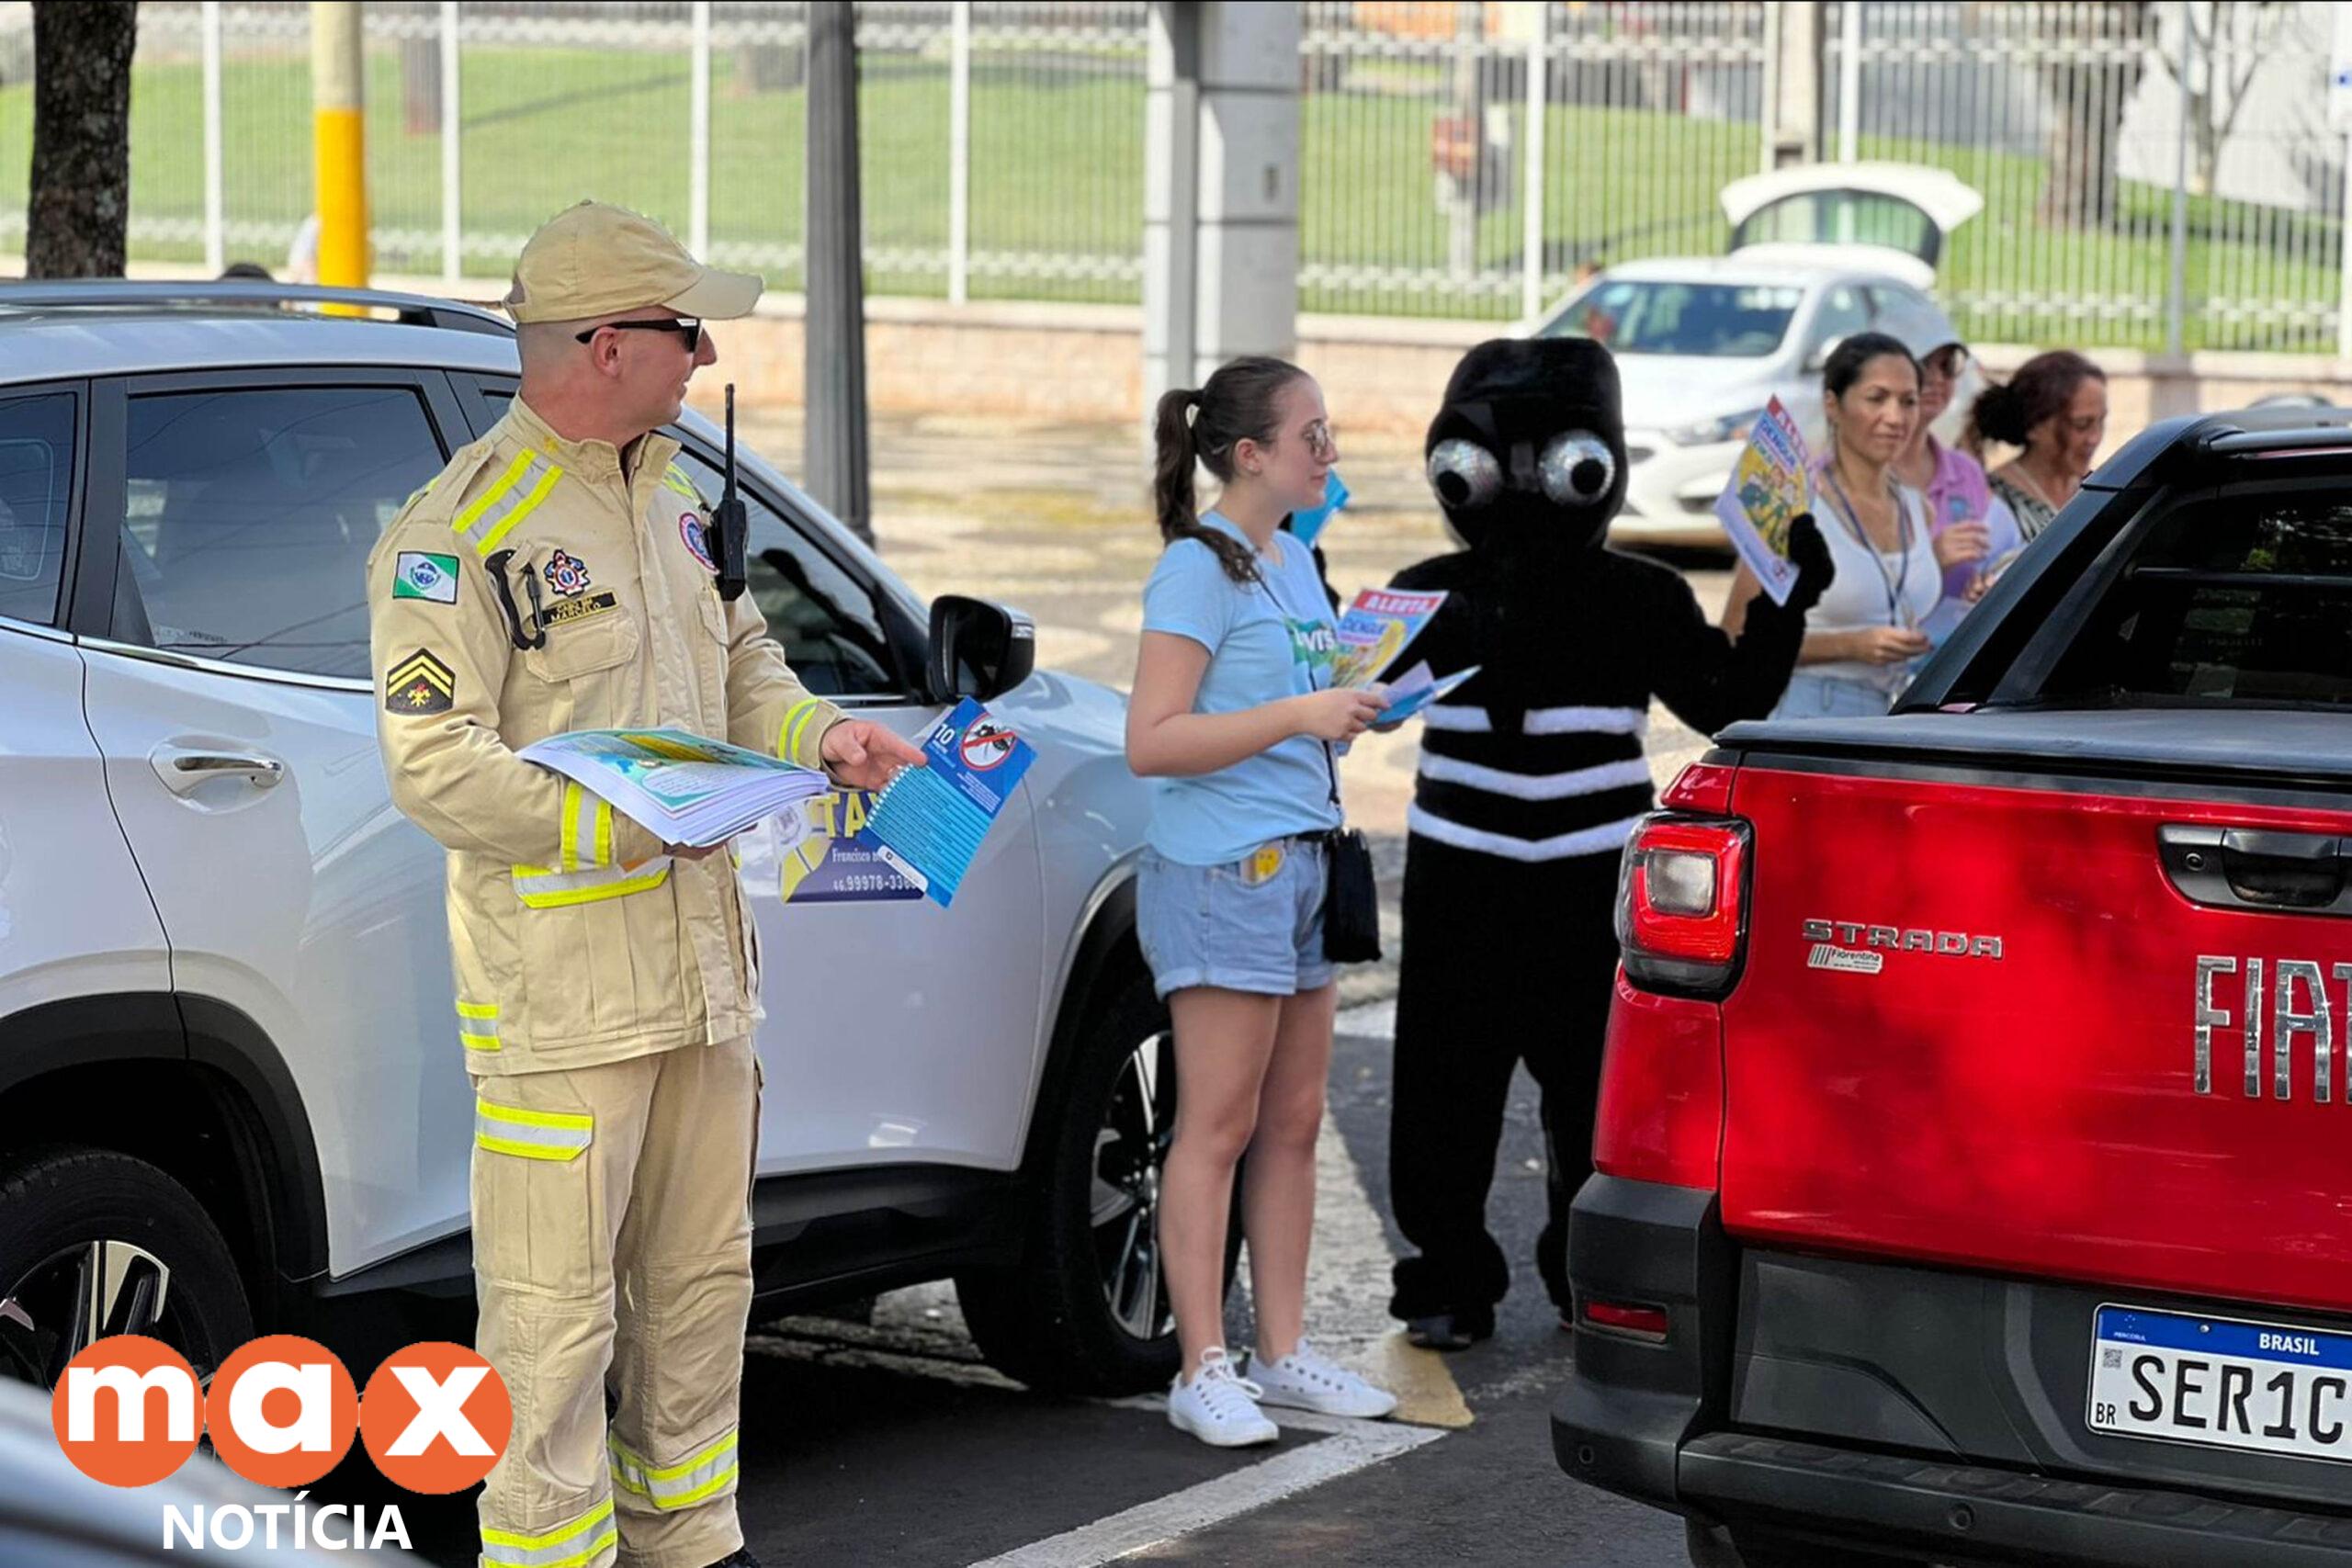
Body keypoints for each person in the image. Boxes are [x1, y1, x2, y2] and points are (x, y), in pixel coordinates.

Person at [367, 200, 924, 1568]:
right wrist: (629, 825)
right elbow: (436, 764)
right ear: (605, 342)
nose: (705, 349)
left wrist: (820, 736)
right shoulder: (457, 534)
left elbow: (745, 671)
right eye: (686, 329)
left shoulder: (671, 492)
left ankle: (694, 1540)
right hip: (563, 1003)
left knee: (699, 1292)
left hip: (700, 985)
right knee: (551, 1323)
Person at [1383, 338, 1831, 1349]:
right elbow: (1350, 694)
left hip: (1584, 875)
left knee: (1591, 1092)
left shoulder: (1639, 595)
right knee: (1446, 1090)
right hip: (1461, 874)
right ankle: (1451, 1274)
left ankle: (1579, 1273)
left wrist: (1784, 600)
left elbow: (1728, 700)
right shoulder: (1425, 591)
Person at [1125, 355, 1401, 1447]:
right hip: (1220, 872)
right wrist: (1301, 713)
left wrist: (1354, 700)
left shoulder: (1293, 558)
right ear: (1251, 455)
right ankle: (1202, 1365)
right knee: (1219, 1125)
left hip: (1300, 862)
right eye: (1312, 437)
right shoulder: (1196, 569)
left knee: (1290, 1123)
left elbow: (1296, 702)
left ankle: (1280, 1355)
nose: (1328, 454)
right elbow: (1154, 741)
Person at [1725, 332, 1942, 719]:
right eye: (1876, 398)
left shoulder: (1917, 508)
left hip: (1891, 715)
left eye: (1908, 401)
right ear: (1833, 405)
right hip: (1807, 710)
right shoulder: (1797, 508)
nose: (1895, 418)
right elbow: (1735, 634)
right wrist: (1848, 645)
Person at [1890, 335, 2021, 645]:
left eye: (1947, 366)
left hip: (1951, 668)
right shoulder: (1858, 475)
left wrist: (1990, 583)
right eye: (1924, 364)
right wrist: (1930, 561)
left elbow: (2006, 555)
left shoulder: (1964, 471)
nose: (1936, 378)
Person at [1971, 349, 2109, 541]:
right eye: (2081, 425)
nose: (2094, 438)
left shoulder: (2100, 491)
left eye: (2100, 422)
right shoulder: (1991, 499)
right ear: (2034, 426)